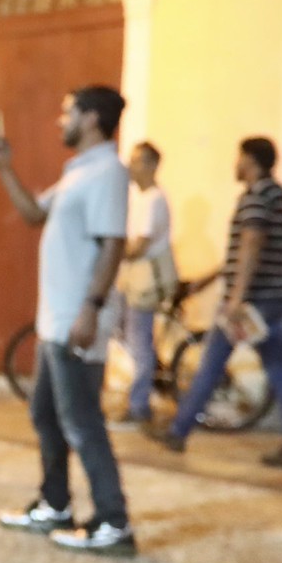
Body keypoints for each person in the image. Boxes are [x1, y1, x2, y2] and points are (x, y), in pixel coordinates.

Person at [0, 86, 135, 555]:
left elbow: (113, 243)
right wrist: (5, 167)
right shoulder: (80, 173)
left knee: (81, 421)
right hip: (56, 319)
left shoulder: (109, 173)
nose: (61, 120)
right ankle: (55, 505)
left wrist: (91, 309)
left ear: (91, 118)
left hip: (77, 318)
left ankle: (113, 522)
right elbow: (34, 213)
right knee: (46, 414)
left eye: (67, 111)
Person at [154, 137, 282, 468]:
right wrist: (207, 280)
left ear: (251, 161)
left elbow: (251, 243)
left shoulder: (255, 197)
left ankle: (178, 431)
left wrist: (236, 297)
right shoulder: (280, 196)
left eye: (239, 159)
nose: (235, 165)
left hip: (251, 303)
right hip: (276, 299)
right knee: (279, 371)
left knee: (210, 365)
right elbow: (241, 253)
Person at [118, 141, 175, 426]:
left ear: (152, 165)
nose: (131, 166)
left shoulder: (153, 199)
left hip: (144, 280)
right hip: (133, 278)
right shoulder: (140, 197)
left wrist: (111, 253)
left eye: (138, 161)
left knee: (138, 340)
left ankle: (139, 405)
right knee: (130, 335)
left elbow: (140, 245)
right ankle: (148, 379)